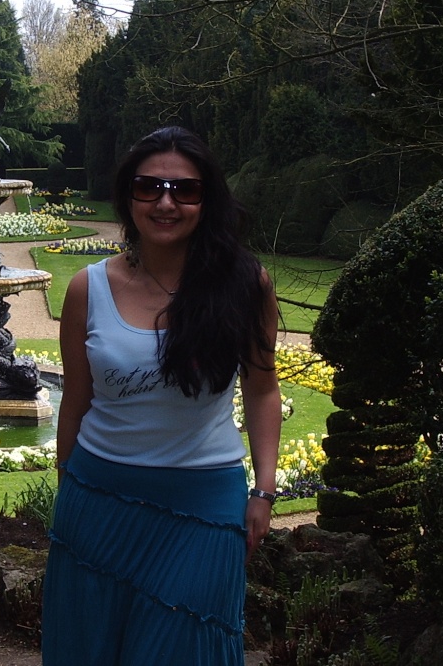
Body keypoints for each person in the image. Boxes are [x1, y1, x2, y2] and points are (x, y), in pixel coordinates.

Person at [41, 126, 282, 665]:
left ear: (206, 199)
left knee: (184, 648)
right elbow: (75, 403)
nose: (166, 202)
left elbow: (263, 388)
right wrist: (68, 490)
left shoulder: (245, 285)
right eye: (149, 187)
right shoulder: (88, 288)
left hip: (203, 506)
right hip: (99, 498)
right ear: (129, 197)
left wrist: (263, 492)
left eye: (184, 190)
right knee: (90, 649)